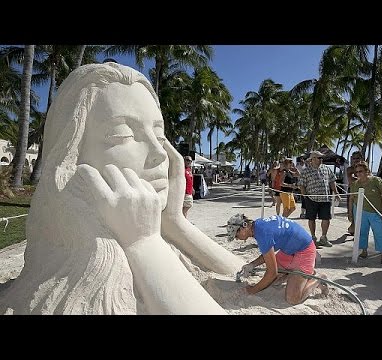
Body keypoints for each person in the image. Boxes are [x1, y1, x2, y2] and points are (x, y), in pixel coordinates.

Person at [0, 63, 244, 315]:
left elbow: (240, 273)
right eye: (122, 134)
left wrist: (173, 224)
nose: (160, 153)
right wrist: (142, 243)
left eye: (160, 136)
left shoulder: (159, 241)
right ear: (70, 158)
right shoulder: (58, 283)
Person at [227, 213, 328, 304]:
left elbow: (272, 273)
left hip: (304, 251)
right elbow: (268, 252)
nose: (236, 238)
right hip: (288, 251)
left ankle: (318, 278)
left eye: (236, 234)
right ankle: (291, 274)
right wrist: (252, 265)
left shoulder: (263, 234)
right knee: (274, 282)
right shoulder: (258, 225)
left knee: (292, 299)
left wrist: (251, 290)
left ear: (244, 227)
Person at [298, 150, 341, 248]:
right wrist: (304, 196)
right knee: (311, 218)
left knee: (326, 218)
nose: (321, 159)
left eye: (322, 158)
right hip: (311, 198)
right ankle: (313, 238)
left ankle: (324, 237)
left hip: (325, 198)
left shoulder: (326, 168)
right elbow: (301, 184)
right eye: (319, 157)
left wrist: (336, 192)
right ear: (312, 159)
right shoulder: (306, 171)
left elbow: (332, 181)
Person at [348, 161, 382, 264]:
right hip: (359, 210)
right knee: (361, 232)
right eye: (356, 172)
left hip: (376, 211)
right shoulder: (355, 184)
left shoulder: (376, 180)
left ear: (367, 171)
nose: (358, 174)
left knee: (380, 232)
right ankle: (364, 251)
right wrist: (349, 213)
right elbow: (351, 199)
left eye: (360, 171)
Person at [346, 151, 364, 235]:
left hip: (363, 191)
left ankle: (356, 229)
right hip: (352, 190)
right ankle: (353, 226)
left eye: (358, 158)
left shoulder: (365, 168)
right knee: (351, 211)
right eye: (354, 158)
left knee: (361, 211)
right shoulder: (350, 169)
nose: (356, 160)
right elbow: (351, 180)